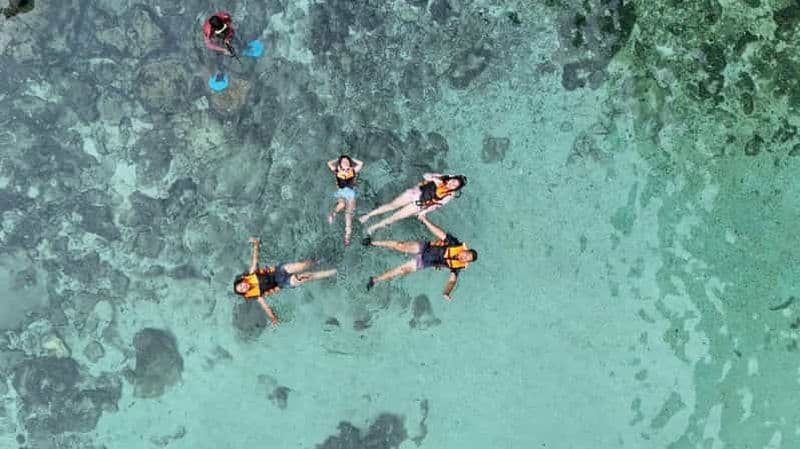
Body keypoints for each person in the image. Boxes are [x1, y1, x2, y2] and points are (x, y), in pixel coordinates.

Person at [362, 215, 477, 301]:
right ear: (465, 250)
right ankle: (372, 243)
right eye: (466, 255)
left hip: (425, 261)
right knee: (400, 246)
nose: (464, 258)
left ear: (467, 262)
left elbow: (452, 281)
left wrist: (447, 292)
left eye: (467, 259)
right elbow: (439, 233)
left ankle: (375, 280)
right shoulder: (455, 243)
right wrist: (425, 220)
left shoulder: (457, 268)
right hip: (425, 248)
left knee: (401, 271)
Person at [232, 237, 337, 326]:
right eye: (242, 290)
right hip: (284, 282)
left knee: (304, 265)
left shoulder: (251, 274)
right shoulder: (257, 296)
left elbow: (255, 259)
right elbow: (266, 307)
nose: (243, 287)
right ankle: (335, 271)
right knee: (304, 277)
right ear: (245, 293)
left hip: (280, 270)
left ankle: (320, 260)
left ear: (242, 281)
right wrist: (273, 318)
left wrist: (256, 243)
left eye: (241, 285)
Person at [358, 173, 467, 235]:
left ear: (456, 189)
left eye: (454, 185)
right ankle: (368, 215)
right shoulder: (443, 177)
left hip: (418, 204)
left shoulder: (449, 195)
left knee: (394, 217)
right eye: (453, 181)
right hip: (414, 193)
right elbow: (425, 175)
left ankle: (374, 227)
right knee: (391, 205)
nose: (451, 184)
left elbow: (437, 205)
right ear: (451, 178)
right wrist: (434, 179)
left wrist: (423, 212)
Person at [326, 155, 364, 247]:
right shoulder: (337, 170)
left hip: (351, 195)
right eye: (343, 162)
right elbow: (329, 163)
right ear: (340, 165)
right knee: (342, 204)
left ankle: (347, 237)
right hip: (341, 193)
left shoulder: (353, 170)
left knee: (348, 216)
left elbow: (361, 163)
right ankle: (333, 214)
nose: (345, 162)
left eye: (347, 161)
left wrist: (351, 159)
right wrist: (337, 159)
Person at [203, 11, 240, 81]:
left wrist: (228, 38)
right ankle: (220, 71)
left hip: (226, 29)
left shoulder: (225, 16)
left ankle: (243, 46)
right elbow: (209, 45)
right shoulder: (208, 31)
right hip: (215, 36)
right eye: (220, 31)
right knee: (217, 54)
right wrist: (223, 50)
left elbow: (232, 27)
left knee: (234, 38)